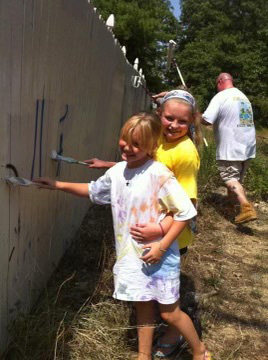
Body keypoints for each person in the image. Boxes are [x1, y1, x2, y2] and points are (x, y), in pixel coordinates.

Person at [34, 113, 210, 360]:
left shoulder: (159, 174)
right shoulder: (117, 172)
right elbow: (94, 191)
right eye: (125, 140)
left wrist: (162, 245)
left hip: (159, 259)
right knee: (142, 305)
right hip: (132, 256)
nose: (128, 148)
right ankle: (143, 355)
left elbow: (185, 213)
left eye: (137, 144)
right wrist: (57, 184)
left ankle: (199, 351)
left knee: (170, 313)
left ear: (151, 147)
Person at [85, 90, 201, 257]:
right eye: (169, 118)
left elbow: (187, 203)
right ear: (159, 113)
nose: (174, 125)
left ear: (191, 120)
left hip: (168, 236)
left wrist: (160, 233)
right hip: (150, 229)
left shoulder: (185, 153)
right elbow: (145, 168)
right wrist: (108, 165)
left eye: (182, 121)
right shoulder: (160, 137)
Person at [202, 73, 257, 224]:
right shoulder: (242, 96)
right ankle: (232, 209)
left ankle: (247, 208)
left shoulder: (221, 96)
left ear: (220, 82)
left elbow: (207, 120)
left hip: (231, 146)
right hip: (247, 146)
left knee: (230, 178)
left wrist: (196, 116)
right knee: (237, 180)